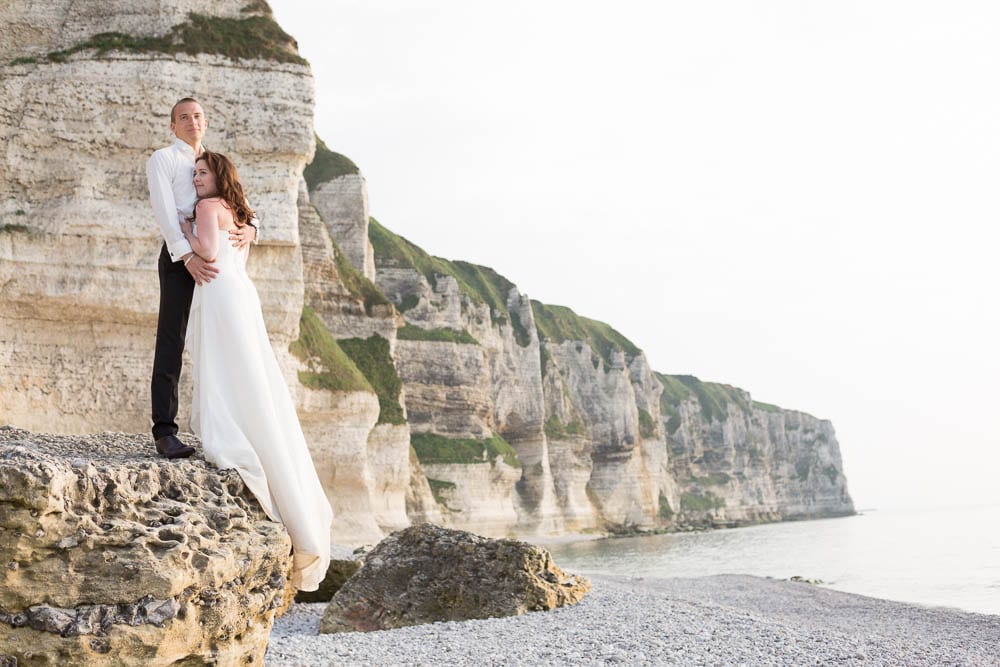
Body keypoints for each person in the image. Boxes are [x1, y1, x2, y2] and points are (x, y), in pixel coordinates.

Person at [180, 151, 332, 591]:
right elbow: (242, 232)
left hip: (220, 292)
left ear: (219, 176)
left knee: (224, 368)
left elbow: (207, 251)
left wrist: (186, 229)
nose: (196, 179)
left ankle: (229, 431)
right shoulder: (235, 209)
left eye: (202, 172)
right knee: (250, 374)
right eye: (194, 174)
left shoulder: (208, 208)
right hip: (241, 294)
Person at [147, 97, 257, 458]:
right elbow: (165, 213)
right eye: (184, 117)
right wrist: (188, 255)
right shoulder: (162, 159)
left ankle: (230, 426)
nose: (192, 122)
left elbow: (239, 201)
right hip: (181, 256)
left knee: (224, 339)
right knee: (172, 339)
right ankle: (165, 431)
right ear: (173, 125)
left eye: (197, 116)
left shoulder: (213, 163)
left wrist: (253, 229)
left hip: (216, 260)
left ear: (205, 122)